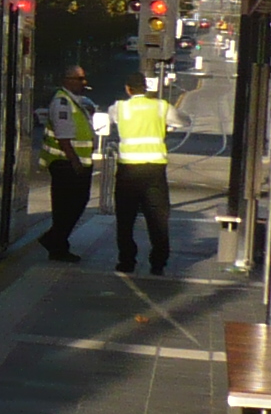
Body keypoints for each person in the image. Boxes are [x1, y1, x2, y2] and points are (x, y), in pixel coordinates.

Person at [110, 71, 174, 274]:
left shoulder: (119, 108)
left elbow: (108, 120)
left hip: (128, 171)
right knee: (158, 218)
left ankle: (127, 261)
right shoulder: (161, 106)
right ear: (146, 88)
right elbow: (184, 120)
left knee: (125, 219)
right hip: (154, 170)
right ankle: (158, 262)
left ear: (127, 89)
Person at [36, 63, 97, 261]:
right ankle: (56, 243)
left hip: (73, 163)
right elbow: (63, 137)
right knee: (68, 207)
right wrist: (75, 162)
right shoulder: (62, 102)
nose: (84, 82)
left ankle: (57, 242)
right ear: (67, 81)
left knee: (74, 205)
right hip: (65, 164)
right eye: (79, 79)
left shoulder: (75, 101)